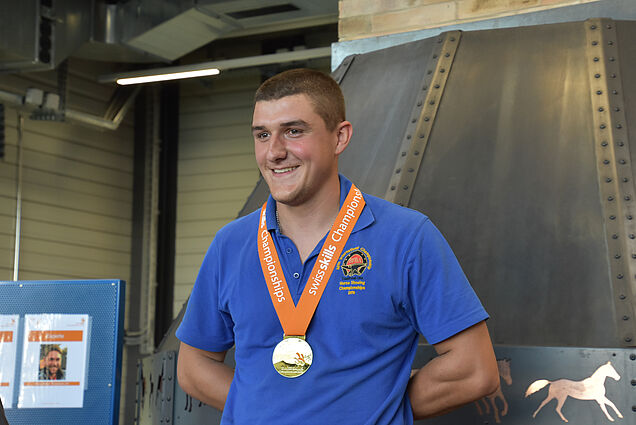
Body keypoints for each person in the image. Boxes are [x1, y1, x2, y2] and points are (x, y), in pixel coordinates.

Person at [176, 68, 499, 424]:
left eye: (293, 131)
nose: (274, 152)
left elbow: (473, 370)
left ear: (339, 137)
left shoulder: (407, 237)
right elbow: (194, 366)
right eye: (262, 135)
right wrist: (267, 409)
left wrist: (376, 410)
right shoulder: (230, 244)